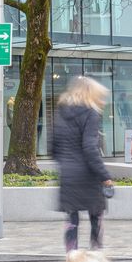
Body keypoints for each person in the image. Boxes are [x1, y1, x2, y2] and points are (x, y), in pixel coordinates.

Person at [52, 76, 113, 252]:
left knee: (72, 220)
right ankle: (95, 256)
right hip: (88, 174)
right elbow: (90, 148)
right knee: (96, 215)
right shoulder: (91, 113)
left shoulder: (61, 112)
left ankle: (72, 257)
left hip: (68, 175)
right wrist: (105, 176)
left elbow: (54, 147)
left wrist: (66, 165)